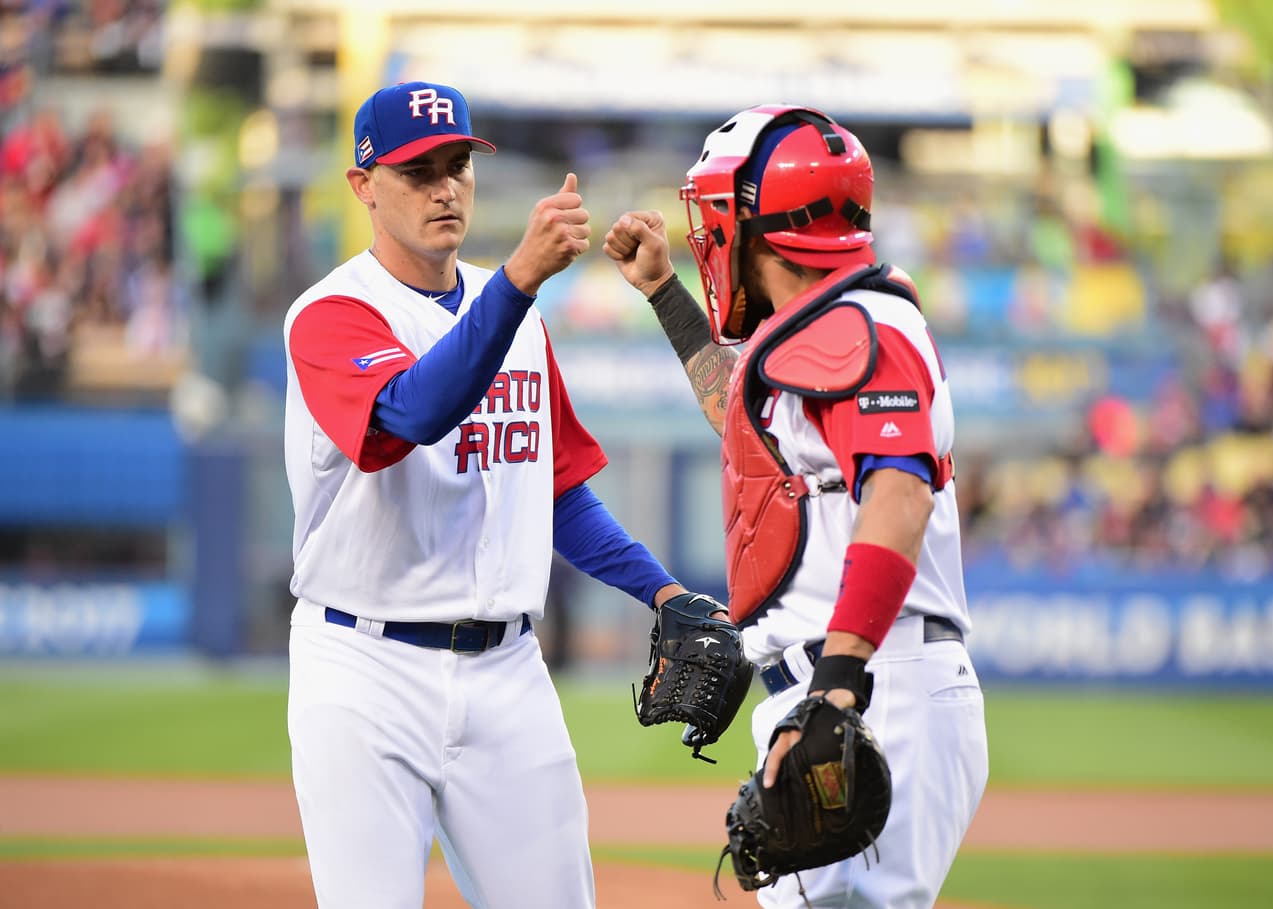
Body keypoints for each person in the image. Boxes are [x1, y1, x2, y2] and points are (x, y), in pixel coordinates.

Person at [282, 80, 712, 909]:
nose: (445, 187)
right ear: (363, 185)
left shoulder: (510, 310)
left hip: (508, 669)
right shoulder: (330, 313)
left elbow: (555, 492)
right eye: (417, 171)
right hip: (364, 668)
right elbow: (413, 411)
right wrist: (521, 279)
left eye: (458, 166)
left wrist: (660, 589)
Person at [604, 104, 989, 908]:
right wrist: (665, 294)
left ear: (757, 225)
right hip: (850, 676)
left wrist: (838, 683)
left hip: (869, 676)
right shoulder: (826, 326)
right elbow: (748, 428)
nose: (707, 236)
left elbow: (899, 492)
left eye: (714, 216)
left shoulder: (864, 326)